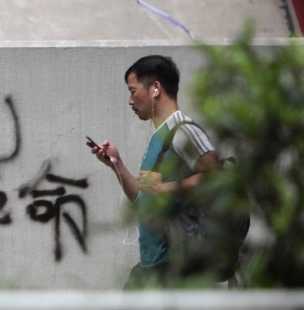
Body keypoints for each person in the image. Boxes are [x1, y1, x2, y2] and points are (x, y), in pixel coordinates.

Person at [89, 55, 224, 289]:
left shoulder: (183, 130)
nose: (130, 101)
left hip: (180, 265)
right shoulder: (160, 136)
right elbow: (145, 201)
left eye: (133, 91)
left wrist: (164, 187)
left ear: (155, 89)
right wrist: (116, 164)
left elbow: (219, 179)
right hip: (156, 265)